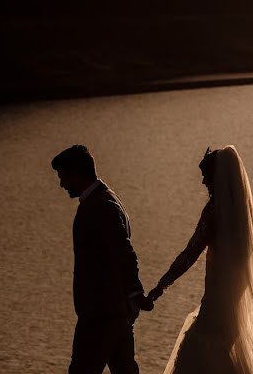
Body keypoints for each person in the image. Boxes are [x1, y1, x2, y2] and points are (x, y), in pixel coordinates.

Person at [147, 145, 253, 374]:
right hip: (235, 305)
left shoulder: (214, 211)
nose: (203, 183)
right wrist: (239, 283)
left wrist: (161, 285)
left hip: (216, 303)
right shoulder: (248, 212)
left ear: (216, 177)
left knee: (196, 351)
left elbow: (191, 252)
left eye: (205, 177)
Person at [53, 144, 154, 374]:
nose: (61, 184)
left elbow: (123, 250)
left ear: (77, 173)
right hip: (117, 313)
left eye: (63, 177)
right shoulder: (108, 199)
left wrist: (136, 293)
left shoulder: (101, 206)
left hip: (100, 316)